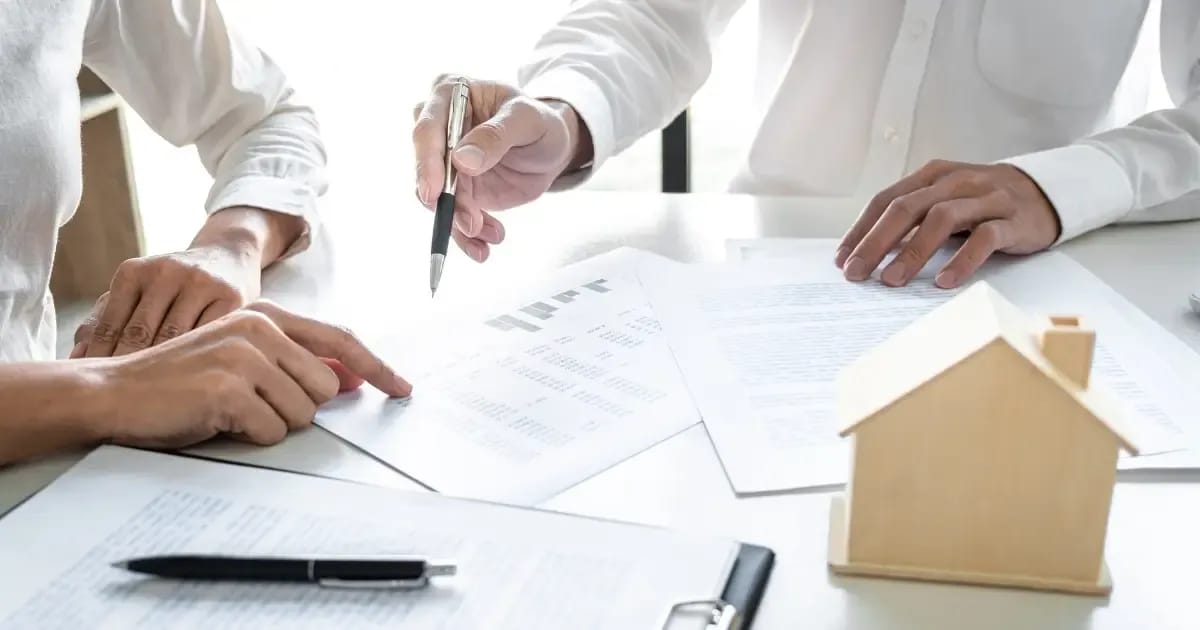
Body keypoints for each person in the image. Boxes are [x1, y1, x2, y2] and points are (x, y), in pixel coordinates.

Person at [412, 1, 1200, 289]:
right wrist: (562, 112)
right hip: (766, 282)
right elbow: (652, 15)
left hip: (1031, 287)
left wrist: (1061, 184)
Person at [0, 0, 410, 466]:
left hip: (51, 467)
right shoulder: (104, 396)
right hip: (68, 430)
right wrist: (109, 389)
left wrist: (232, 244)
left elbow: (266, 117)